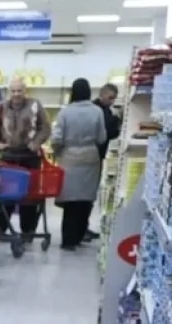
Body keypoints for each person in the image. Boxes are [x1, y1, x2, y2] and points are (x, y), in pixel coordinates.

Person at [0, 78, 51, 244]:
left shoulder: (35, 105)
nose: (16, 94)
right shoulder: (0, 107)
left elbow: (45, 128)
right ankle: (1, 230)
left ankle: (27, 232)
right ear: (9, 92)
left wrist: (36, 143)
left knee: (30, 198)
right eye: (13, 91)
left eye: (19, 91)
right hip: (8, 158)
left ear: (25, 91)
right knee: (6, 196)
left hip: (30, 158)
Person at [50, 78, 108, 251]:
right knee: (85, 200)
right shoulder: (97, 111)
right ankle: (80, 236)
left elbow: (57, 139)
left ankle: (68, 241)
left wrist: (58, 152)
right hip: (90, 156)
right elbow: (102, 137)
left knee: (70, 202)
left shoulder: (65, 112)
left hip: (70, 157)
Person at [86, 83, 122, 242]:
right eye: (110, 97)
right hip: (92, 156)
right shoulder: (96, 111)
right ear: (102, 95)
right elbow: (107, 132)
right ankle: (81, 229)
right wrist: (117, 120)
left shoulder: (105, 110)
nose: (112, 101)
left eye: (114, 98)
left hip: (97, 156)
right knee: (86, 194)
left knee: (90, 194)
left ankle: (83, 227)